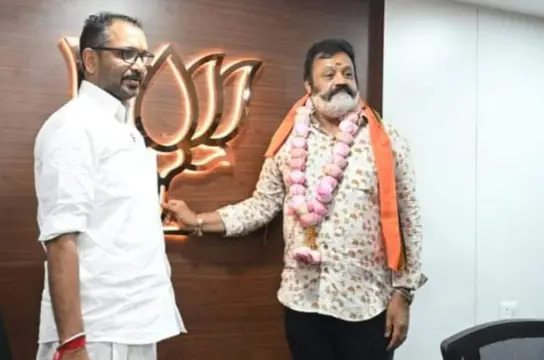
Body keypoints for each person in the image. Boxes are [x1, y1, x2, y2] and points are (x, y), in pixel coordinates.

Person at [163, 38, 425, 360]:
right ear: (309, 85)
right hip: (303, 304)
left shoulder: (387, 141)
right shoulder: (288, 141)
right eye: (328, 74)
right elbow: (262, 205)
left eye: (347, 73)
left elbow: (408, 217)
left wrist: (404, 293)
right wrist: (198, 220)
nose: (340, 80)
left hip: (368, 306)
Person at [33, 12, 185, 360]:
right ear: (89, 59)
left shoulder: (125, 129)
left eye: (143, 57)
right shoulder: (72, 127)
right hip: (98, 331)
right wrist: (73, 345)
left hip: (136, 321)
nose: (139, 67)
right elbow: (60, 239)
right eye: (126, 54)